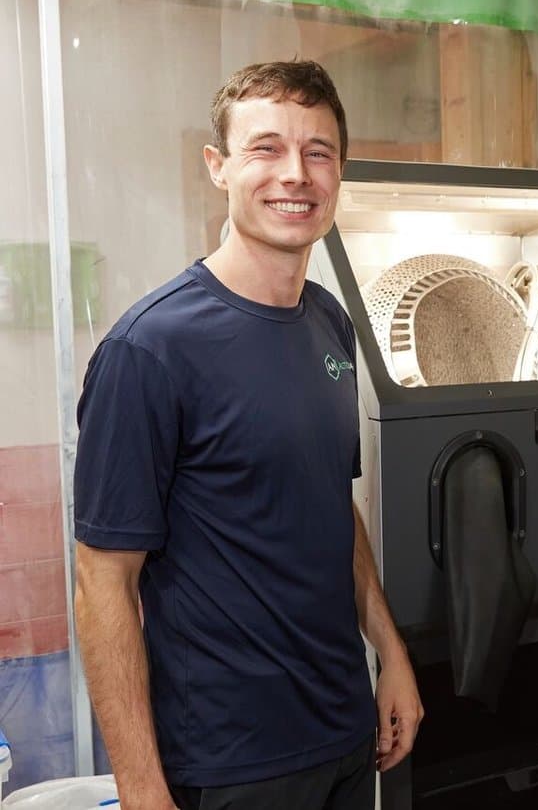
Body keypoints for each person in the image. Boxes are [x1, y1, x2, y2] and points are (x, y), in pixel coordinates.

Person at [72, 60, 422, 810]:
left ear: (338, 172)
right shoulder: (150, 350)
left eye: (318, 152)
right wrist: (141, 789)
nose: (294, 174)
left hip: (343, 734)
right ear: (218, 167)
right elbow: (103, 581)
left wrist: (390, 654)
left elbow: (334, 504)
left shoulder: (329, 320)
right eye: (265, 148)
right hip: (230, 764)